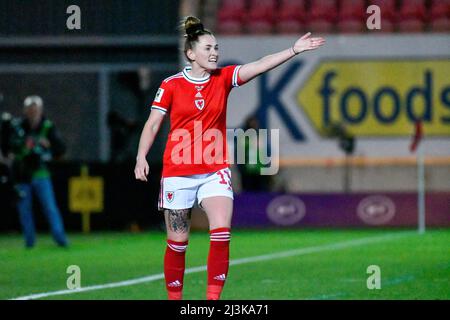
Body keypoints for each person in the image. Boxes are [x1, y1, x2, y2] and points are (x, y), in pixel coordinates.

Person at [134, 16, 325, 300]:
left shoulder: (223, 79)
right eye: (208, 48)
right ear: (191, 53)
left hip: (215, 169)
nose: (215, 53)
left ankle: (212, 302)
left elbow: (259, 65)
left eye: (216, 48)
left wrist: (293, 50)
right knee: (178, 242)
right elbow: (152, 123)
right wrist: (141, 156)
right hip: (178, 172)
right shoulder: (171, 85)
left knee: (221, 233)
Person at [9, 96, 68, 248]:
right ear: (25, 110)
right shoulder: (18, 127)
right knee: (24, 210)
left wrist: (47, 146)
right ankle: (29, 242)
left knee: (50, 208)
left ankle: (60, 239)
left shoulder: (47, 127)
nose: (32, 112)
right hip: (23, 175)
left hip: (41, 174)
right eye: (30, 109)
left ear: (40, 110)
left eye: (35, 109)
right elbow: (11, 149)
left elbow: (60, 149)